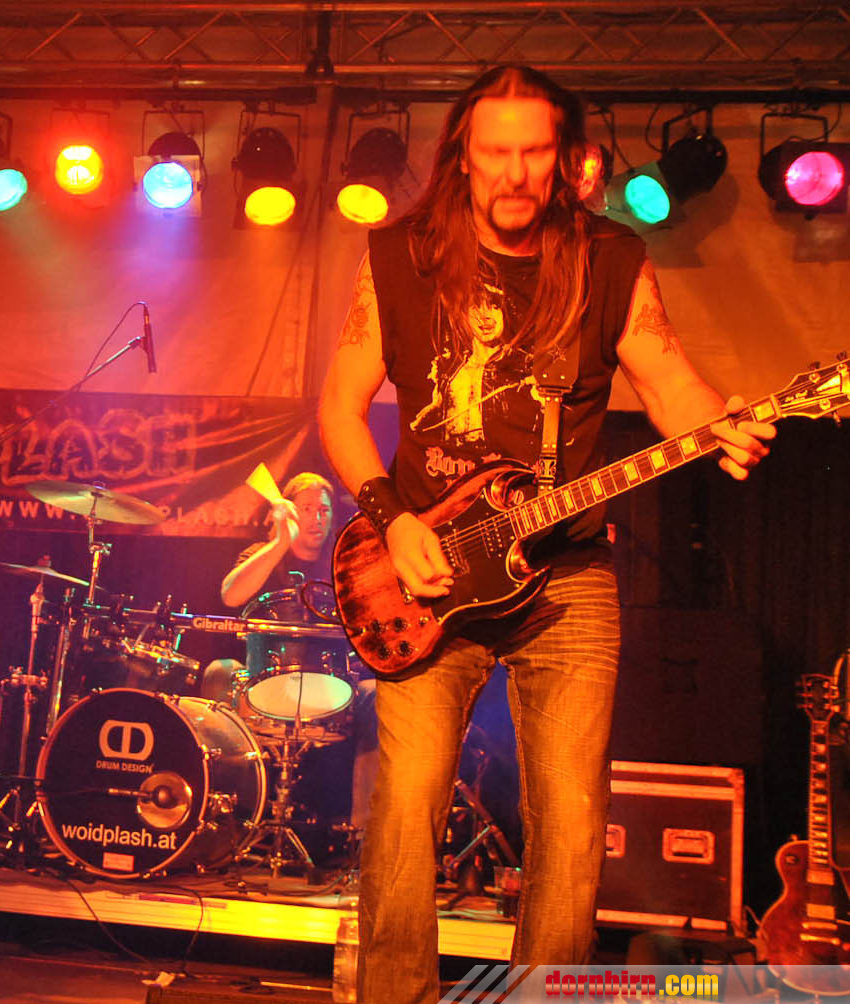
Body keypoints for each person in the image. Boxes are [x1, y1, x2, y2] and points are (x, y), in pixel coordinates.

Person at [317, 65, 774, 1002]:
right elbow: (338, 406)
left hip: (564, 576)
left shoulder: (608, 259)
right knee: (403, 816)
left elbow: (668, 380)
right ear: (463, 156)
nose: (516, 174)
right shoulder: (400, 255)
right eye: (497, 153)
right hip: (426, 570)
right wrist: (392, 523)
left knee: (571, 830)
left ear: (566, 157)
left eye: (535, 153)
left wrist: (717, 422)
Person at [202, 473, 378, 840]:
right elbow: (231, 595)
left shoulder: (342, 561)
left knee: (377, 694)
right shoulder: (262, 554)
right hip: (263, 685)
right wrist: (280, 542)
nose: (317, 518)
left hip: (332, 690)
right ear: (289, 512)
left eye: (323, 510)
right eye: (307, 509)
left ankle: (363, 836)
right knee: (219, 671)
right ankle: (218, 821)